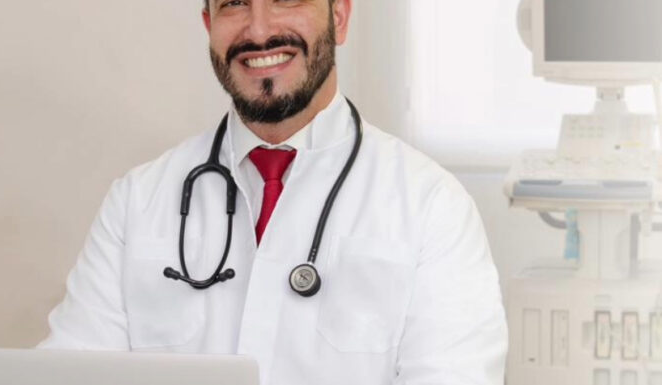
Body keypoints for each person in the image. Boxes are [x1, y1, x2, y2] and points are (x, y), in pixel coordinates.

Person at [38, 0, 509, 384]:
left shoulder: (431, 208)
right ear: (209, 25)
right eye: (235, 4)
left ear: (339, 17)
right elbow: (70, 373)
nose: (259, 30)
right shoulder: (136, 204)